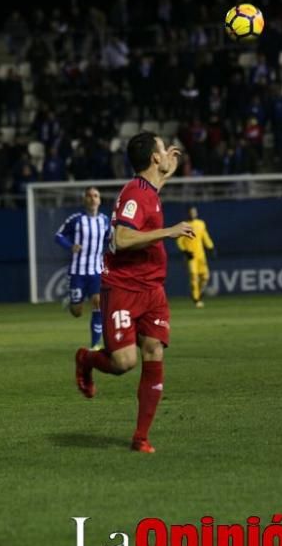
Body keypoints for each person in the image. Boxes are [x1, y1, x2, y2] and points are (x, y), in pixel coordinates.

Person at [74, 132, 195, 453]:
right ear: (155, 157)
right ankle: (86, 359)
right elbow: (122, 239)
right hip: (124, 288)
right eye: (162, 149)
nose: (167, 153)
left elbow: (153, 189)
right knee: (123, 363)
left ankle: (140, 437)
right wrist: (169, 231)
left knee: (154, 350)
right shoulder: (134, 194)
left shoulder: (149, 190)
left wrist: (167, 172)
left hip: (153, 288)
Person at [55, 187, 110, 349]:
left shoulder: (105, 221)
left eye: (95, 196)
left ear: (99, 200)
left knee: (98, 303)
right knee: (77, 312)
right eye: (89, 196)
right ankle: (71, 301)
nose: (93, 199)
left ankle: (95, 345)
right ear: (84, 200)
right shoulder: (76, 219)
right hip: (77, 272)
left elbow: (110, 240)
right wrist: (70, 246)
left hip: (96, 272)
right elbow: (58, 236)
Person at [176, 206, 216, 308]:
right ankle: (196, 298)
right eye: (191, 212)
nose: (193, 214)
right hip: (191, 256)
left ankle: (199, 293)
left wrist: (210, 247)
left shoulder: (201, 224)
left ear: (196, 213)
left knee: (205, 277)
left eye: (194, 212)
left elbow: (205, 236)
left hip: (201, 255)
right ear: (188, 214)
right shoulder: (184, 225)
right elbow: (179, 241)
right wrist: (185, 251)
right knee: (194, 276)